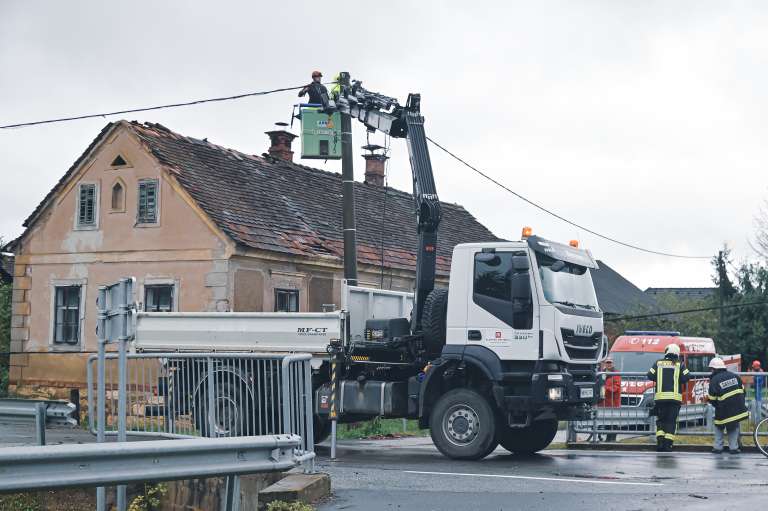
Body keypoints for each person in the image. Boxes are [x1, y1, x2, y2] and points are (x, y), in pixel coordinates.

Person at [647, 344, 691, 452]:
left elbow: (650, 375)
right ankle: (668, 445)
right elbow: (687, 377)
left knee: (661, 420)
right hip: (674, 399)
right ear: (677, 353)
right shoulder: (680, 364)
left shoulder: (658, 363)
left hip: (660, 398)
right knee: (671, 422)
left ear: (666, 352)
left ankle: (660, 444)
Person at [707, 357, 749, 454]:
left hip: (723, 409)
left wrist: (716, 404)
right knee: (733, 425)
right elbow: (743, 391)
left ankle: (718, 448)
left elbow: (712, 398)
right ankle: (734, 448)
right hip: (739, 409)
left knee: (718, 425)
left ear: (714, 369)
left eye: (711, 369)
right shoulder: (735, 376)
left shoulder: (714, 380)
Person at [599, 357, 621, 442]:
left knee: (614, 421)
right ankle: (608, 439)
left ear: (613, 363)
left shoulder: (616, 373)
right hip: (604, 401)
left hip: (613, 401)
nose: (609, 364)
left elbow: (616, 387)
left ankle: (612, 439)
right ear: (604, 363)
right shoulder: (601, 373)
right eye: (607, 362)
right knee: (607, 421)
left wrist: (606, 388)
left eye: (610, 362)